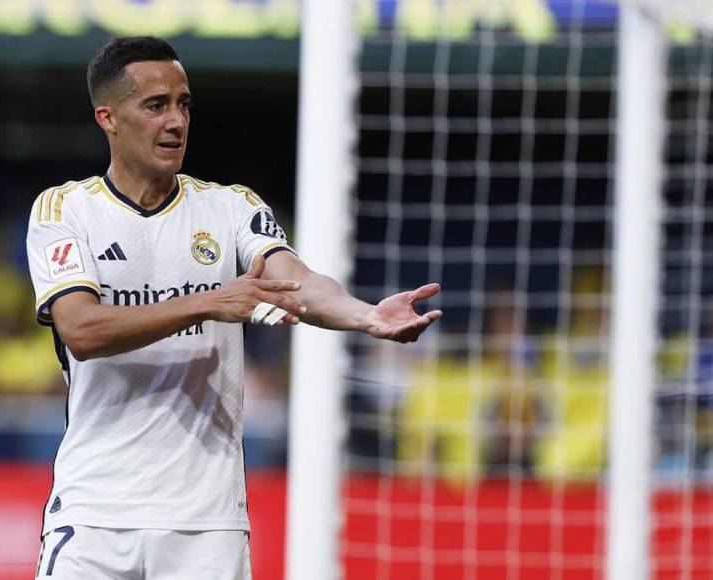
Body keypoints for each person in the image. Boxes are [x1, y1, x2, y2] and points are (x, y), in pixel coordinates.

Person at [26, 36, 442, 580]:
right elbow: (81, 329)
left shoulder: (230, 208)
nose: (176, 122)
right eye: (155, 105)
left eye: (184, 104)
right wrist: (209, 302)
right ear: (108, 117)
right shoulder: (65, 210)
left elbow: (296, 280)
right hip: (94, 514)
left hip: (208, 525)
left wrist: (364, 314)